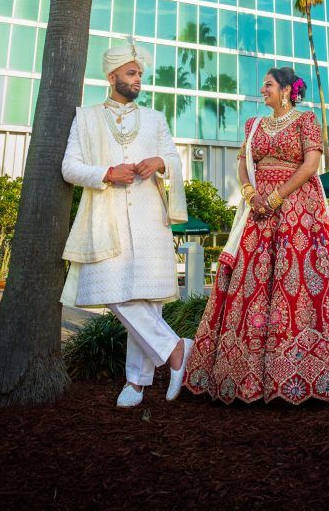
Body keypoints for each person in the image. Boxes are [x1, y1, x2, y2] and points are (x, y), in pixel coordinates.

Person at [185, 66, 329, 404]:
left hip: (297, 211)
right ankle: (246, 375)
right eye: (263, 85)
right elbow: (243, 161)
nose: (263, 90)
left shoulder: (305, 121)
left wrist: (276, 197)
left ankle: (318, 368)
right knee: (254, 281)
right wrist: (249, 193)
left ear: (287, 90)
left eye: (269, 85)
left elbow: (310, 165)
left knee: (300, 279)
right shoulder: (253, 124)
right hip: (258, 213)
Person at [61, 38, 192, 408]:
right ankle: (177, 350)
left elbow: (173, 157)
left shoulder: (154, 119)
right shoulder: (85, 118)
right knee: (114, 293)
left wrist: (160, 163)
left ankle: (135, 383)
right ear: (112, 74)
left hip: (150, 218)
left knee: (146, 298)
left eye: (140, 74)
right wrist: (106, 172)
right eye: (132, 73)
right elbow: (69, 167)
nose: (138, 80)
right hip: (107, 216)